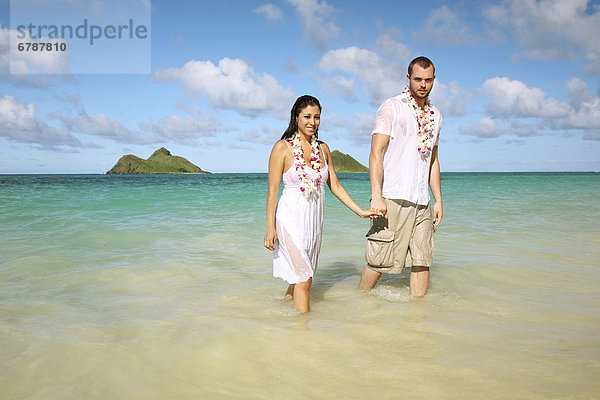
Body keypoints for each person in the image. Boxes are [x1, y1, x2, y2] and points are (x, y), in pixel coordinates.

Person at [264, 95, 374, 313]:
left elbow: (335, 186)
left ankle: (278, 314)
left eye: (317, 117)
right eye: (306, 116)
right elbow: (273, 191)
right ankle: (303, 333)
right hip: (289, 222)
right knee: (305, 279)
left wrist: (360, 211)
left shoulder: (323, 149)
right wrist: (270, 228)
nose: (312, 122)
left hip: (313, 224)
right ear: (296, 117)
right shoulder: (282, 148)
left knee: (300, 277)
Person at [359, 56, 443, 297]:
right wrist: (377, 196)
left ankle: (417, 320)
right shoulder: (392, 107)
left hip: (422, 202)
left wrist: (438, 199)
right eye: (417, 79)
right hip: (393, 197)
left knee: (422, 260)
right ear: (408, 79)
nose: (423, 85)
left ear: (434, 80)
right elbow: (376, 152)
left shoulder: (436, 115)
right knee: (379, 260)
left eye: (428, 80)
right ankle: (359, 304)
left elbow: (433, 159)